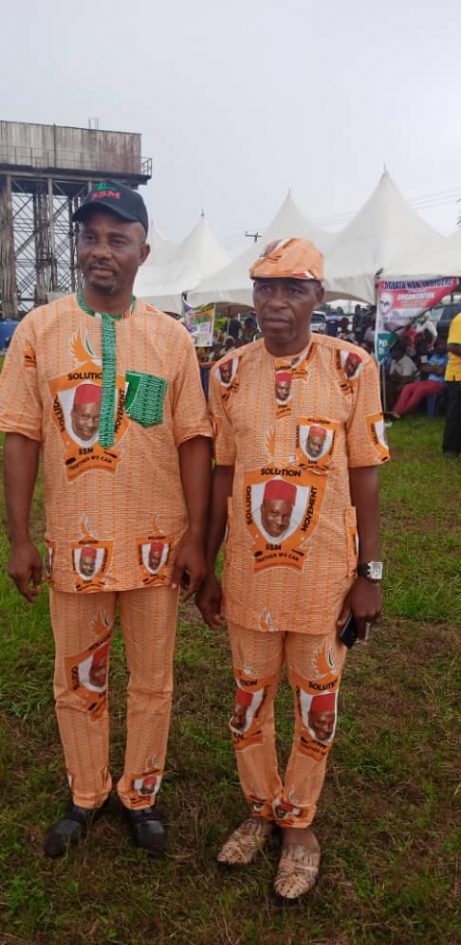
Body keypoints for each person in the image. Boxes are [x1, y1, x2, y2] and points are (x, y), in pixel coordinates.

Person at [0, 179, 212, 858]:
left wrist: (197, 537)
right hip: (74, 541)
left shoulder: (171, 340)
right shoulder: (38, 332)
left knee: (152, 680)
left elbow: (193, 439)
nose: (101, 250)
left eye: (117, 239)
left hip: (156, 544)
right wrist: (19, 538)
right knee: (77, 677)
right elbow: (20, 434)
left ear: (142, 253)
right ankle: (87, 792)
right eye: (89, 237)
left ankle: (140, 794)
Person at [197, 237, 389, 901]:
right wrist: (208, 562)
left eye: (292, 288)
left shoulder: (351, 368)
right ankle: (261, 808)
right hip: (249, 574)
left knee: (316, 702)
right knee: (248, 698)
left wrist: (369, 573)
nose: (275, 301)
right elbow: (222, 472)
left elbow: (365, 473)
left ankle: (299, 823)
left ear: (317, 295)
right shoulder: (226, 374)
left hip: (325, 574)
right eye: (264, 287)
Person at [389, 338, 448, 419]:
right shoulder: (435, 356)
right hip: (428, 381)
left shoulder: (449, 357)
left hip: (440, 384)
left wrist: (432, 368)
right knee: (407, 387)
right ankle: (396, 411)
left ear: (447, 345)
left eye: (442, 344)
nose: (440, 347)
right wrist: (436, 368)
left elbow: (441, 372)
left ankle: (402, 413)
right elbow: (423, 368)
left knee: (420, 390)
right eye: (438, 345)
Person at [442, 311, 461, 457]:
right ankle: (450, 448)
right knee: (456, 413)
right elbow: (452, 346)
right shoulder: (459, 320)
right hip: (457, 375)